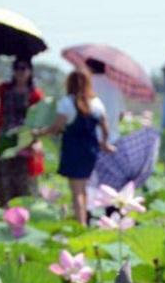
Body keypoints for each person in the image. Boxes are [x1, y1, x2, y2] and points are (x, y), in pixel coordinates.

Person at [33, 70, 115, 225]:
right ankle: (84, 219)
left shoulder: (66, 102)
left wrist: (39, 132)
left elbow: (56, 127)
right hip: (90, 151)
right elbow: (105, 128)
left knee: (76, 191)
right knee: (83, 188)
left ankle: (81, 223)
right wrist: (105, 144)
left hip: (73, 150)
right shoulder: (96, 103)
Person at [0, 58, 45, 207]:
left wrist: (36, 139)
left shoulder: (35, 94)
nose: (20, 72)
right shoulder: (3, 89)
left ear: (30, 71)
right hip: (5, 139)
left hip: (25, 142)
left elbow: (41, 121)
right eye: (17, 68)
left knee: (24, 183)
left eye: (23, 68)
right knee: (4, 183)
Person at [85, 58, 125, 144]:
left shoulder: (86, 84)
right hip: (113, 139)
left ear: (90, 68)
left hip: (90, 140)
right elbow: (121, 115)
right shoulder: (115, 86)